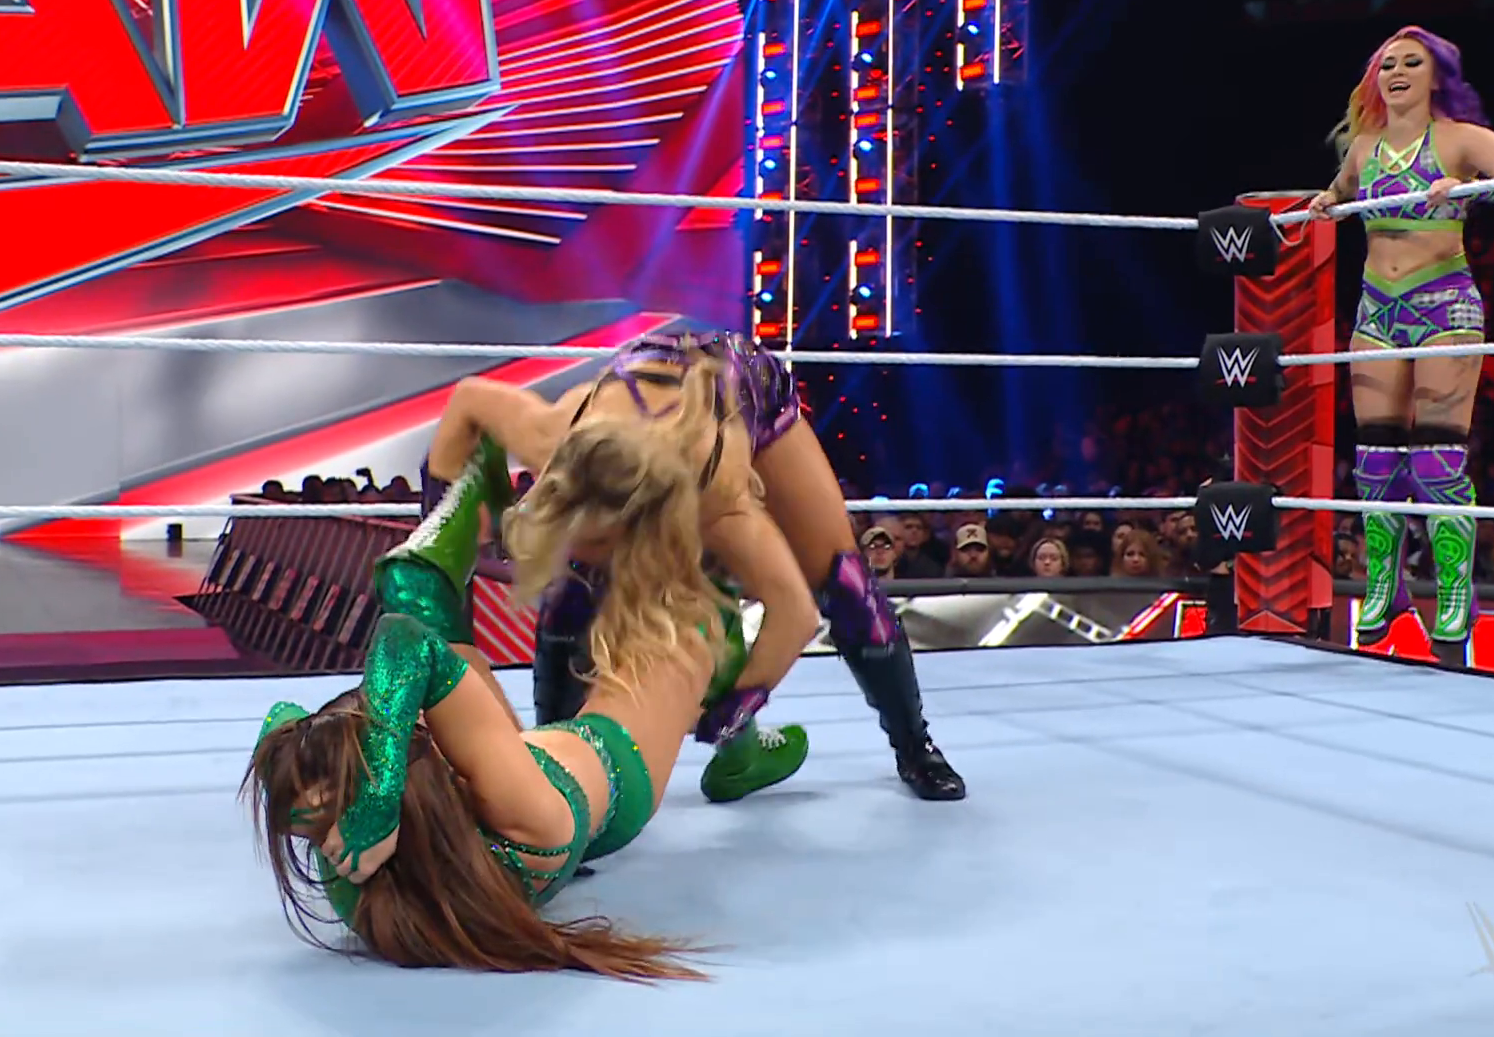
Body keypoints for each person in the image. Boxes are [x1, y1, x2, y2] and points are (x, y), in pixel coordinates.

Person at [247, 440, 808, 980]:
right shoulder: (522, 820)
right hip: (613, 758)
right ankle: (738, 749)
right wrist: (377, 789)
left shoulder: (354, 877)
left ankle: (466, 520)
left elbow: (284, 716)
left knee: (417, 603)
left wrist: (327, 782)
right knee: (701, 611)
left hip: (510, 768)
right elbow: (401, 642)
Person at [432, 331, 965, 802]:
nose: (589, 556)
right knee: (570, 595)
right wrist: (437, 551)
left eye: (598, 544)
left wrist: (730, 712)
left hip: (745, 388)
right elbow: (467, 400)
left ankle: (915, 748)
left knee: (847, 588)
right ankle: (556, 773)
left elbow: (795, 613)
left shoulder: (719, 494)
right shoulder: (551, 436)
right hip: (644, 395)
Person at [1309, 26, 1494, 648]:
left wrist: (1471, 190)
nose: (1397, 73)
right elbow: (1342, 191)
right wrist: (1326, 200)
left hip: (1444, 304)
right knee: (1374, 459)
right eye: (1388, 65)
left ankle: (1455, 589)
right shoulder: (1364, 147)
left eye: (1411, 62)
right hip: (1376, 309)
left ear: (1436, 74)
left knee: (1438, 457)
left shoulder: (1462, 138)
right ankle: (1383, 584)